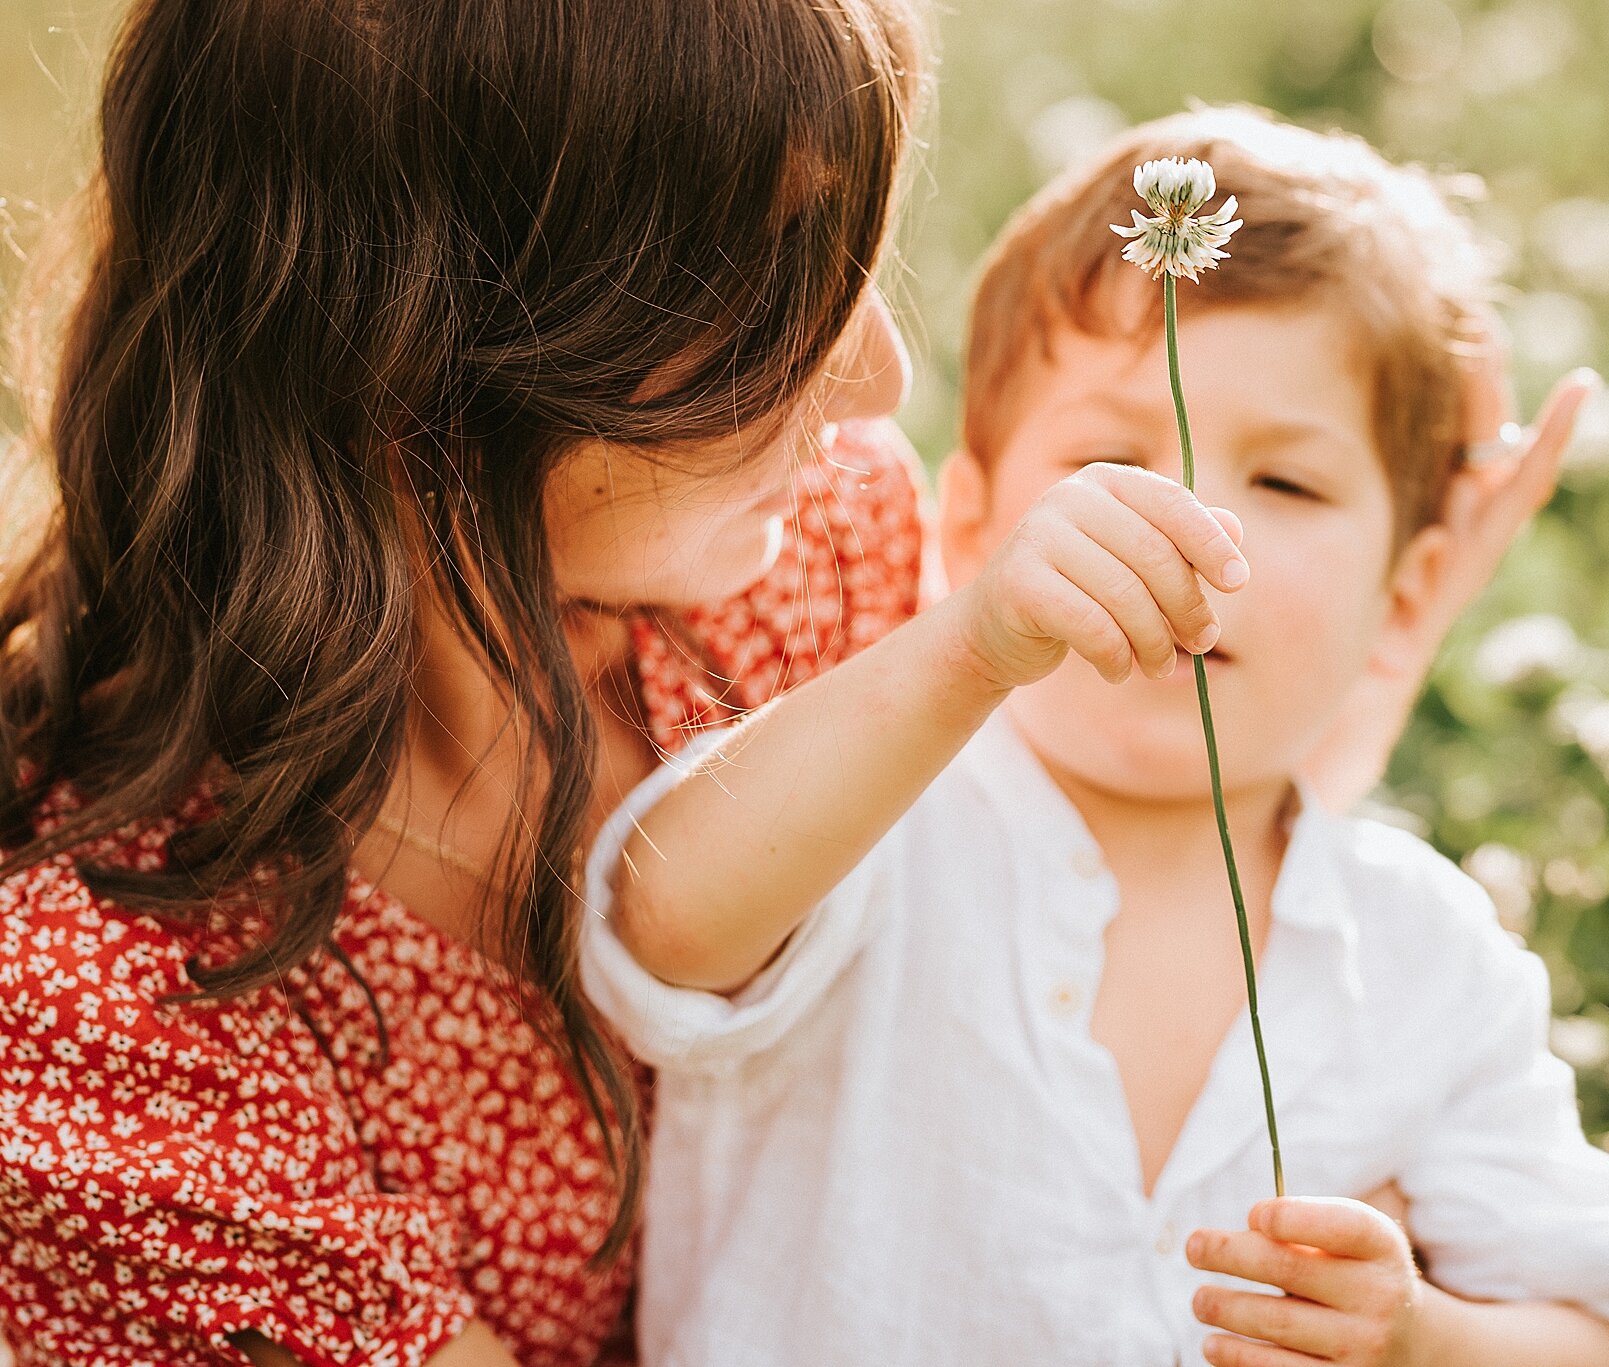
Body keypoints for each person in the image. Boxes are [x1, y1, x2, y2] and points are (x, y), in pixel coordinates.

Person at [581, 108, 1609, 1367]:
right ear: (973, 524)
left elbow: (1578, 1325)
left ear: (1407, 596)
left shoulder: (1428, 957)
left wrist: (1420, 1337)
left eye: (1289, 483)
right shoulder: (872, 812)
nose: (1181, 521)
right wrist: (974, 642)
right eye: (1105, 457)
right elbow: (663, 919)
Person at [0, 1, 928, 1363]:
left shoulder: (826, 559)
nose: (879, 383)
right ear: (413, 354)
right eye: (768, 291)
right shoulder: (102, 1001)